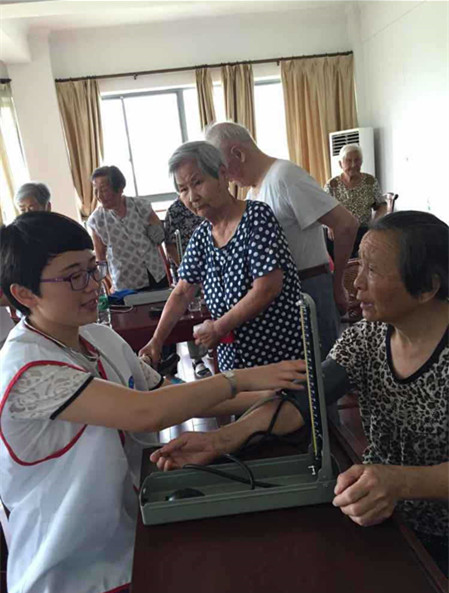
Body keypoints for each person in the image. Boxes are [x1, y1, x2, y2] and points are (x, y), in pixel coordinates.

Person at [0, 211, 306, 593]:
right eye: (74, 276)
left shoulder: (99, 338)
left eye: (93, 269)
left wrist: (278, 392)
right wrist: (239, 378)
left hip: (130, 542)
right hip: (69, 570)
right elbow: (146, 412)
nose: (93, 285)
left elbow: (168, 394)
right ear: (24, 294)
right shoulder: (25, 369)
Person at [151, 211, 449, 576]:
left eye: (372, 270)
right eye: (360, 266)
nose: (356, 283)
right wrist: (220, 440)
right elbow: (304, 399)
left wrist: (401, 481)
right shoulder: (367, 338)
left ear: (428, 287)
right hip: (385, 517)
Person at [139, 141, 304, 372]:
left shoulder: (256, 217)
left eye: (198, 182)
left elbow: (267, 287)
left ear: (222, 175)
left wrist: (218, 328)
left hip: (276, 354)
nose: (192, 197)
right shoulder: (202, 237)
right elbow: (182, 292)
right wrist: (156, 341)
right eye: (183, 189)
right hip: (233, 362)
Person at [205, 122, 359, 360]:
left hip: (308, 289)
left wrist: (337, 284)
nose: (227, 178)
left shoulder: (285, 177)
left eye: (224, 168)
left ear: (238, 154)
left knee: (318, 374)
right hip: (280, 296)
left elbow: (346, 224)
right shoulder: (254, 192)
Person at [87, 165, 167, 292]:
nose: (99, 196)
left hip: (155, 273)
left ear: (119, 188)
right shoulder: (97, 220)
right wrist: (110, 282)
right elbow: (100, 259)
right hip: (125, 283)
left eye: (104, 190)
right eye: (96, 190)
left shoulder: (140, 205)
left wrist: (155, 229)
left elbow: (159, 236)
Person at [165, 196, 212, 379]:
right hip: (187, 269)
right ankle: (197, 359)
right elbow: (170, 246)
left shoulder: (209, 206)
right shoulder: (174, 210)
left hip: (210, 268)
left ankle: (212, 346)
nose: (192, 195)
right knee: (192, 313)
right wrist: (188, 268)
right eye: (184, 188)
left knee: (209, 309)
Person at [324, 144, 387, 258]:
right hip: (339, 231)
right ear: (340, 164)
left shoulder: (370, 181)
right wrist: (330, 226)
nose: (353, 165)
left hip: (363, 230)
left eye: (357, 160)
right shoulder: (332, 184)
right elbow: (323, 209)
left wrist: (374, 224)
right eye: (348, 161)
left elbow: (382, 205)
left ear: (361, 162)